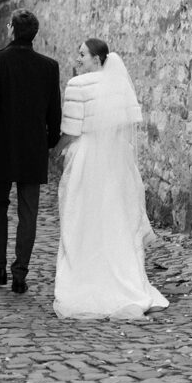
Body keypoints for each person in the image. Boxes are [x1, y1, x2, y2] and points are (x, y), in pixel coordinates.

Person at [53, 38, 169, 320]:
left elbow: (71, 130)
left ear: (97, 59)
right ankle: (126, 279)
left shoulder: (77, 86)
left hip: (86, 160)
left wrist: (56, 152)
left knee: (81, 218)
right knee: (115, 218)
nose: (78, 59)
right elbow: (125, 127)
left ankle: (83, 280)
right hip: (117, 161)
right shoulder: (119, 85)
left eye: (82, 54)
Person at [0, 9, 62, 294]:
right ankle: (20, 273)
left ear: (11, 30)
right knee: (28, 210)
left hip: (1, 146)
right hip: (32, 147)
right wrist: (51, 141)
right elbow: (53, 110)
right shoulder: (49, 66)